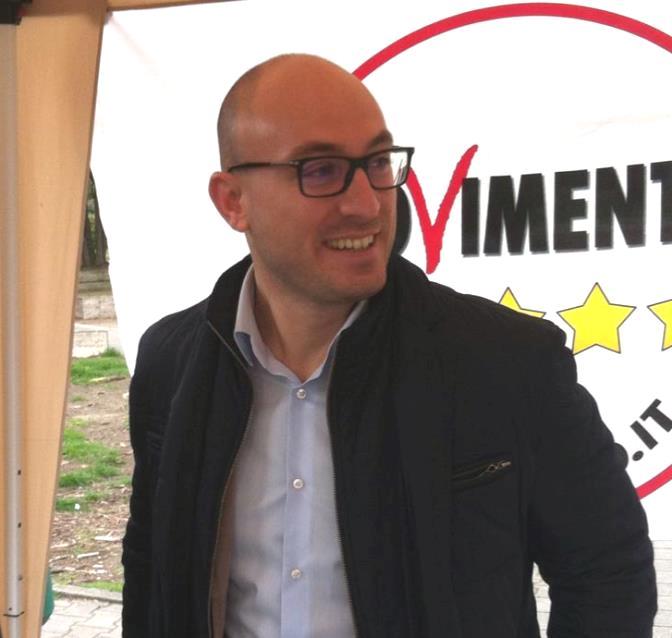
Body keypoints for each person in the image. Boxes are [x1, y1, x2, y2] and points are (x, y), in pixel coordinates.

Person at [122, 54, 656, 638]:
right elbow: (151, 565)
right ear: (233, 201)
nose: (367, 204)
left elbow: (608, 573)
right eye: (320, 170)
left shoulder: (510, 362)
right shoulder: (171, 363)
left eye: (377, 163)